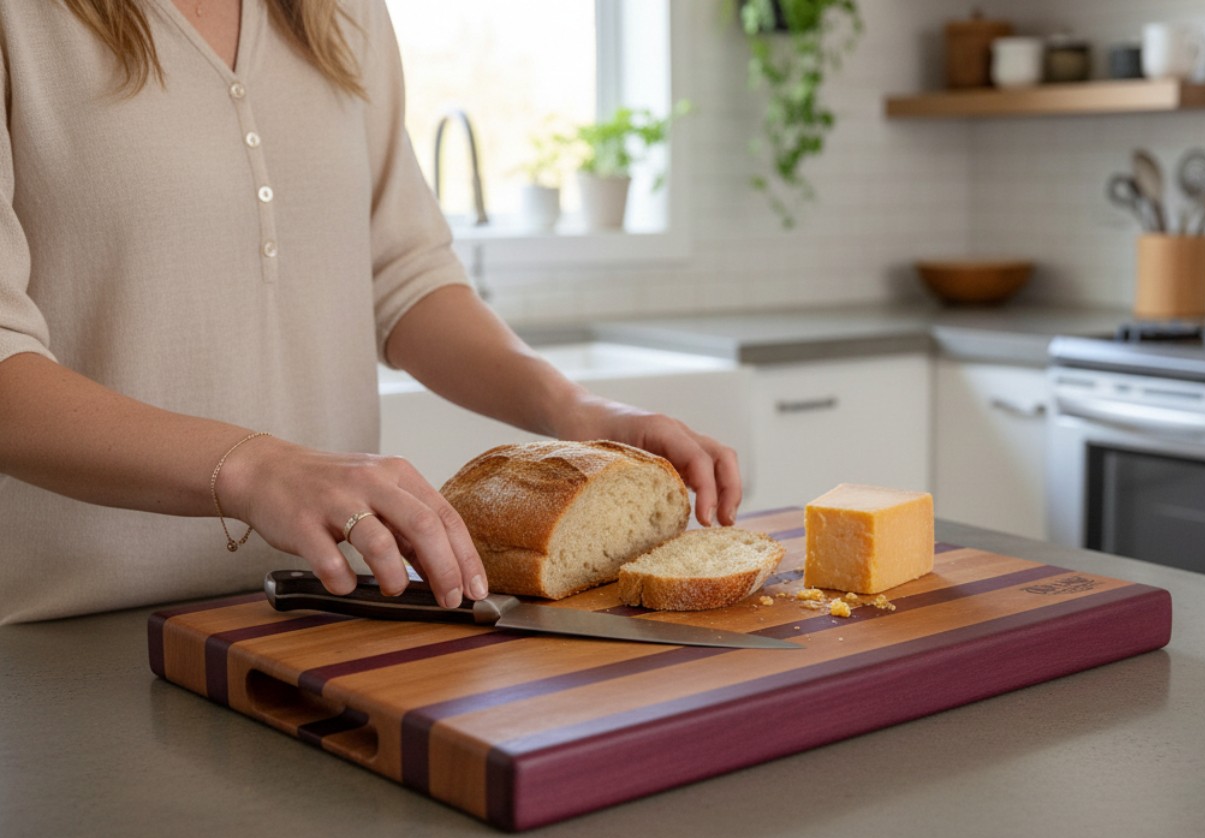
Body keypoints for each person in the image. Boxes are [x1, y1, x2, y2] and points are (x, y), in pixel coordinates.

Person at [0, 0, 740, 625]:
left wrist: (574, 410)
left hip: (324, 611)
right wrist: (257, 468)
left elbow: (404, 276)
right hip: (72, 631)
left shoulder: (341, 12)